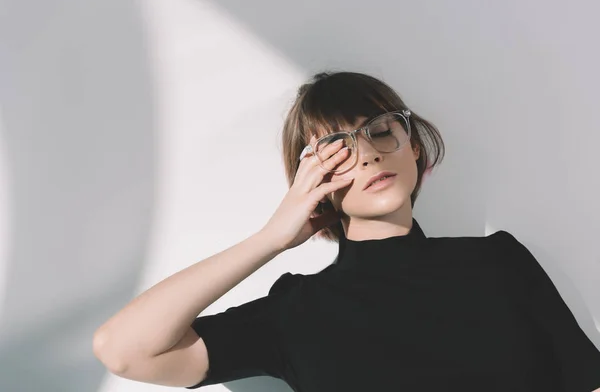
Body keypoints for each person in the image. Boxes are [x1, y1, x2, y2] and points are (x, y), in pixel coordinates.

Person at [93, 71, 600, 391]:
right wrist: (271, 238)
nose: (369, 152)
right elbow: (124, 349)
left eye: (381, 130)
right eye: (337, 149)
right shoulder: (296, 311)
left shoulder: (497, 262)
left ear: (414, 148)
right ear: (310, 184)